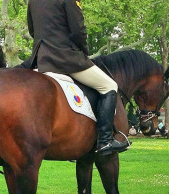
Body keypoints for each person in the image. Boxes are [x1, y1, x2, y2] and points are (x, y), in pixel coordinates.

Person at [23, 0, 128, 155]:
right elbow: (78, 31)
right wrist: (84, 53)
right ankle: (105, 141)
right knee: (109, 85)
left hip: (43, 59)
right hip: (67, 58)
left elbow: (33, 31)